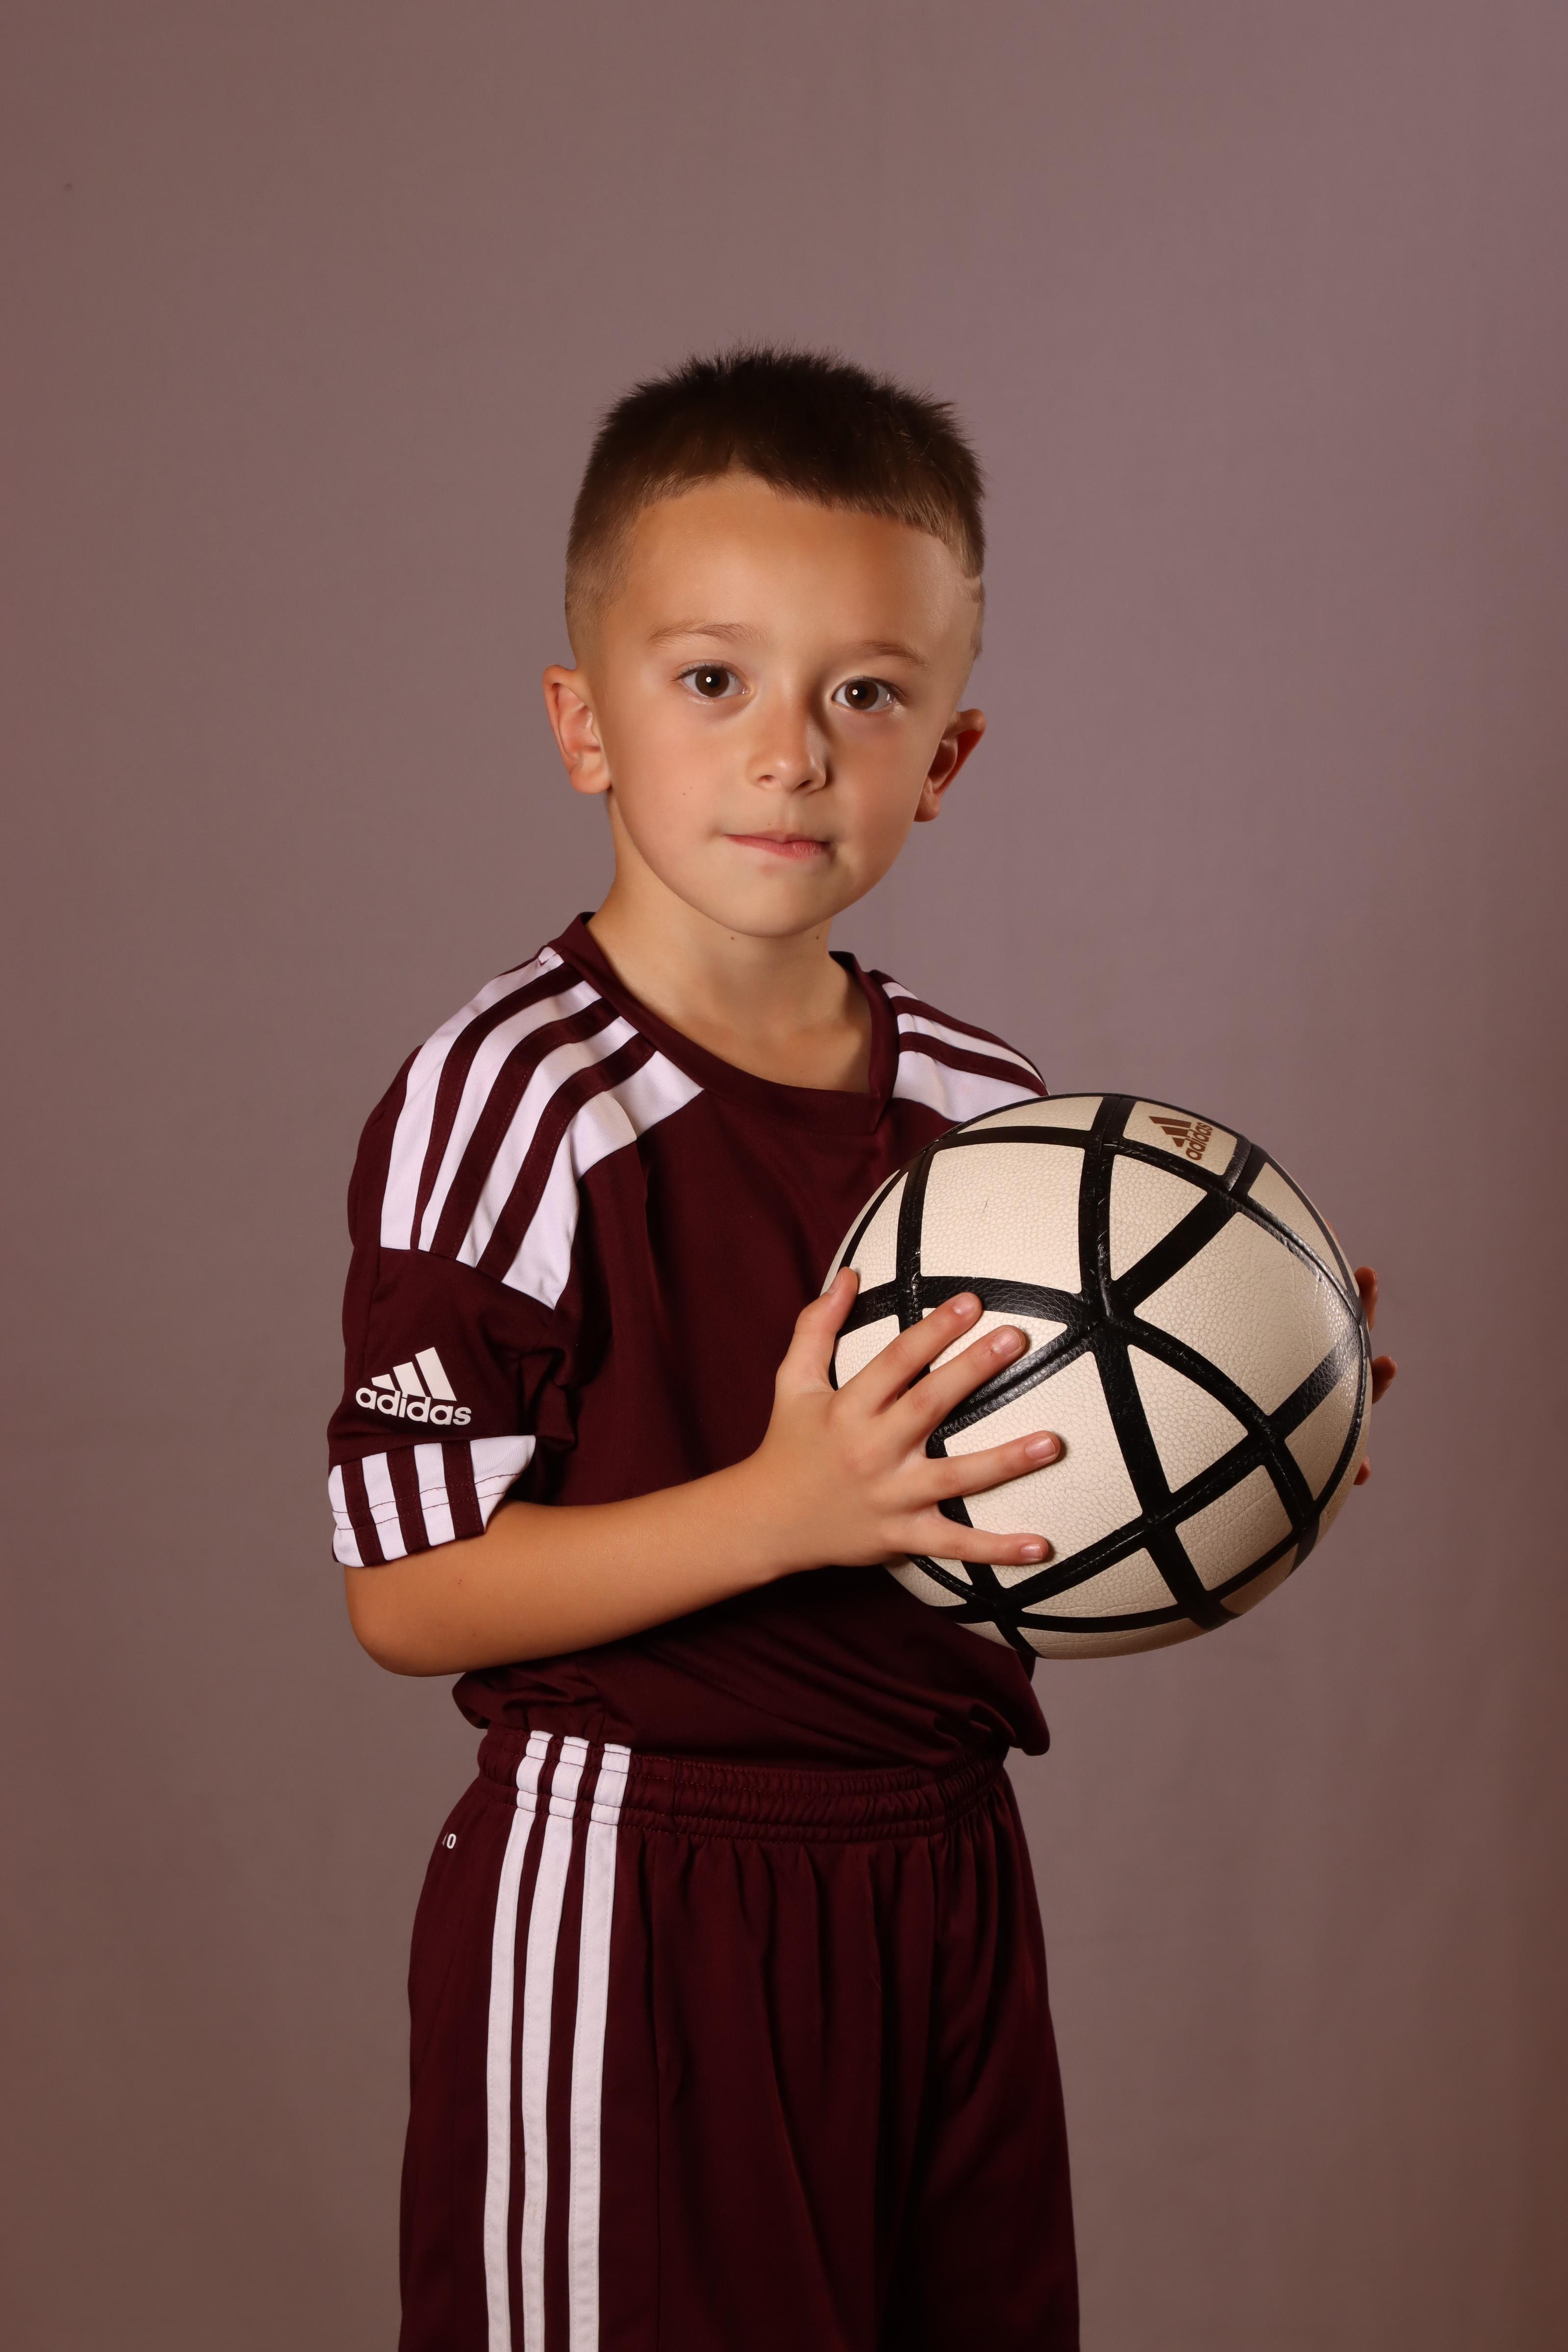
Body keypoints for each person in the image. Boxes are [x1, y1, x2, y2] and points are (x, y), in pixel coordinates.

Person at [327, 347, 1394, 2352]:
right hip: (641, 1876)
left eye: (866, 696)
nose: (791, 755)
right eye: (712, 679)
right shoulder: (516, 1098)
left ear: (947, 756)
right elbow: (407, 1590)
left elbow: (1032, 1523)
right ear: (583, 722)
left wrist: (1254, 1432)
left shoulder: (996, 1119)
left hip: (943, 1867)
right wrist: (777, 1508)